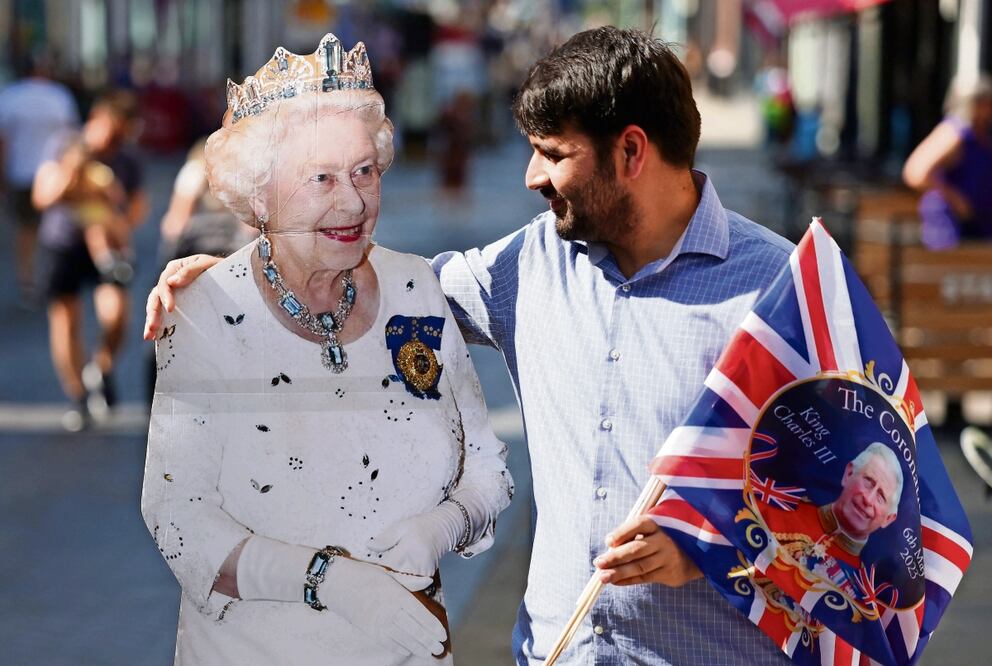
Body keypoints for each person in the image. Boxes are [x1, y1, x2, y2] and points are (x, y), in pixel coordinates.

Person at [145, 27, 796, 664]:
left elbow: (850, 504)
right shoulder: (530, 263)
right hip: (559, 652)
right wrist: (260, 277)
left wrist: (709, 548)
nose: (531, 176)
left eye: (554, 153)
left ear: (631, 152)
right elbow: (387, 298)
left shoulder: (783, 292)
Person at [140, 34, 512, 664]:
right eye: (321, 178)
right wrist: (328, 581)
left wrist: (440, 528)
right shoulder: (204, 312)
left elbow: (489, 470)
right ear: (260, 196)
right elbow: (178, 518)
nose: (353, 201)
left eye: (365, 171)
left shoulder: (416, 289)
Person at [33, 90, 147, 429]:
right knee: (65, 320)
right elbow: (43, 196)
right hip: (63, 242)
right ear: (96, 121)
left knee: (116, 317)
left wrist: (113, 221)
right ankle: (78, 395)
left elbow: (137, 209)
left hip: (108, 247)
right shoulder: (66, 146)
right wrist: (75, 166)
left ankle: (101, 367)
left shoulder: (127, 160)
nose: (113, 139)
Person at [759, 443, 903, 600]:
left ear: (888, 519)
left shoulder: (861, 592)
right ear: (848, 474)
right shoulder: (780, 507)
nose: (868, 500)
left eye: (881, 497)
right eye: (868, 481)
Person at [0, 53, 79, 300]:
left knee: (25, 228)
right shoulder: (60, 96)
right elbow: (72, 138)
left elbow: (3, 141)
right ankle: (47, 276)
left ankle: (28, 279)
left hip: (21, 172)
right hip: (55, 173)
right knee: (54, 229)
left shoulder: (11, 96)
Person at [903, 75, 992, 250]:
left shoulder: (982, 134)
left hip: (979, 226)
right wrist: (954, 198)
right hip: (950, 229)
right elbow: (915, 173)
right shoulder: (954, 132)